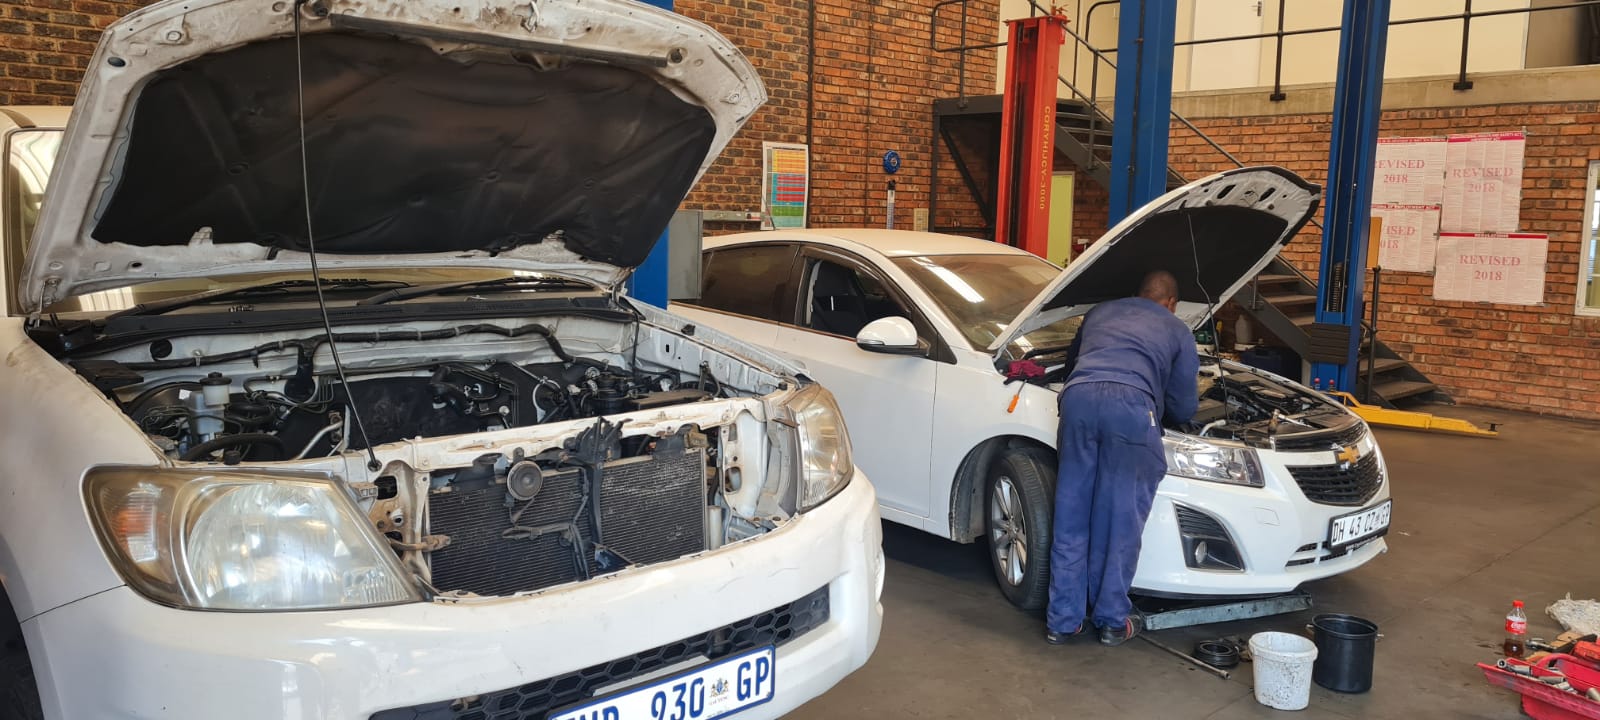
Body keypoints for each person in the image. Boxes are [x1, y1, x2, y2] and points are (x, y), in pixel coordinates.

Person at [1045, 270, 1199, 647]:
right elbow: (1184, 404)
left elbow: (1070, 366)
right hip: (1130, 412)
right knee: (1121, 519)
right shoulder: (1177, 329)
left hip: (1078, 403)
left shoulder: (1100, 313)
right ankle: (1112, 621)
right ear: (1171, 304)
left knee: (1071, 515)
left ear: (1137, 294)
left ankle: (1062, 622)